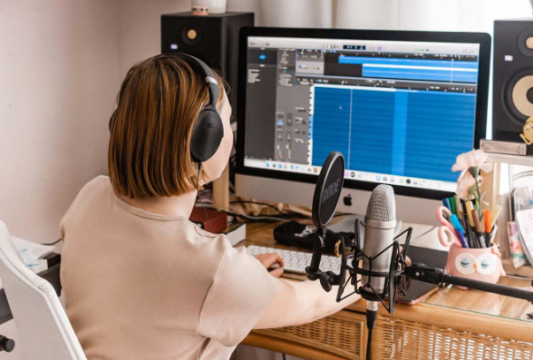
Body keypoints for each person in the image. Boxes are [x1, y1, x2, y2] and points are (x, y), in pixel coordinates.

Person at [59, 54, 359, 360]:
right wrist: (362, 275)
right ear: (205, 138)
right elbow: (308, 302)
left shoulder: (90, 196)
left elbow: (152, 285)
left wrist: (248, 275)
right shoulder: (211, 270)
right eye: (227, 121)